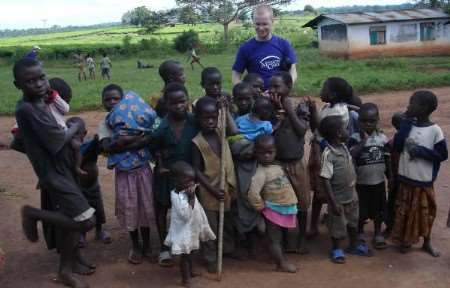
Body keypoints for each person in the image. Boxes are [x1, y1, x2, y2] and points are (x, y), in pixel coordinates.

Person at [13, 58, 96, 288]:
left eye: (41, 77)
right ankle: (32, 214)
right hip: (54, 173)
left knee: (69, 222)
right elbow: (58, 140)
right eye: (30, 81)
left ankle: (66, 270)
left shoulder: (41, 103)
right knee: (87, 220)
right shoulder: (28, 109)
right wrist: (75, 127)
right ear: (17, 85)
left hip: (64, 168)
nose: (39, 84)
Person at [98, 84, 159, 265]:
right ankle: (135, 245)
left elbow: (149, 137)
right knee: (130, 208)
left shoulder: (137, 117)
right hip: (124, 174)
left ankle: (147, 245)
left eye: (116, 99)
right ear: (102, 103)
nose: (112, 102)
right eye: (108, 99)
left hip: (143, 171)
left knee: (146, 208)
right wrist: (136, 140)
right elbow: (106, 146)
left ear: (124, 100)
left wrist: (126, 141)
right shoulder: (107, 122)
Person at [392, 90, 448, 256]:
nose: (408, 106)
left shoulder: (435, 130)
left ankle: (427, 242)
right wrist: (406, 123)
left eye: (412, 103)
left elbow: (442, 155)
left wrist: (422, 151)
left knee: (425, 213)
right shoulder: (407, 125)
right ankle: (406, 240)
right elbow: (398, 146)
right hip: (406, 178)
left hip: (423, 181)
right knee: (404, 211)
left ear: (424, 108)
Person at [150, 83, 199, 267]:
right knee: (162, 208)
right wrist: (161, 162)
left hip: (189, 175)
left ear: (187, 100)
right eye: (174, 103)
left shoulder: (195, 121)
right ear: (167, 104)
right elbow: (154, 149)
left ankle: (189, 246)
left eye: (182, 101)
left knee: (189, 209)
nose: (179, 106)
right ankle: (164, 247)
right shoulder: (161, 128)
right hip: (166, 175)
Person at [192, 96, 237, 273]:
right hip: (209, 191)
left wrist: (225, 110)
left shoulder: (222, 131)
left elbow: (234, 130)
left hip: (227, 187)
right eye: (206, 118)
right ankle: (210, 258)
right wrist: (211, 189)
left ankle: (227, 250)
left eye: (214, 117)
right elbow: (196, 170)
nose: (211, 121)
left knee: (227, 223)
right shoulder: (197, 142)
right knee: (210, 228)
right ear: (198, 119)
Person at [307, 77, 356, 239]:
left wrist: (313, 111)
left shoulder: (338, 113)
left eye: (324, 88)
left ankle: (318, 224)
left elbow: (320, 130)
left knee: (325, 190)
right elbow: (318, 128)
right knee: (322, 191)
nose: (321, 91)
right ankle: (319, 222)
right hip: (323, 151)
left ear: (333, 95)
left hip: (328, 154)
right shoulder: (329, 107)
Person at [319, 115, 372, 264]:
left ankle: (353, 245)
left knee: (353, 222)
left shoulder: (343, 147)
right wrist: (333, 202)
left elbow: (353, 153)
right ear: (338, 133)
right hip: (338, 199)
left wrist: (363, 142)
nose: (348, 130)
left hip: (351, 196)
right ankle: (336, 248)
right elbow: (325, 179)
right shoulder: (328, 154)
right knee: (337, 225)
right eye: (345, 128)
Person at [269, 71, 310, 254]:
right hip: (277, 165)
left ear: (289, 87)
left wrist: (288, 110)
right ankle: (285, 239)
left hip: (296, 163)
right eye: (271, 86)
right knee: (281, 202)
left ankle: (301, 237)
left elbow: (301, 130)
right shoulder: (267, 107)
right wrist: (276, 113)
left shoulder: (299, 107)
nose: (273, 90)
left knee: (302, 202)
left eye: (277, 86)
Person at [248, 135, 298, 273]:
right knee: (274, 239)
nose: (266, 156)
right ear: (255, 153)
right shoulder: (260, 173)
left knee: (279, 237)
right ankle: (280, 263)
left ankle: (280, 257)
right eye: (262, 153)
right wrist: (260, 207)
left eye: (270, 152)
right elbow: (253, 193)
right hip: (273, 210)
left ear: (276, 151)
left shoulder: (277, 167)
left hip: (285, 208)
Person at [164, 162, 215, 287]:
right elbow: (185, 215)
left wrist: (202, 223)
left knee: (192, 252)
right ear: (176, 181)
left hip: (191, 229)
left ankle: (190, 272)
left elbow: (197, 209)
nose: (191, 185)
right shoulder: (177, 196)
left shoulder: (187, 190)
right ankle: (185, 279)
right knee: (185, 256)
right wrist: (191, 198)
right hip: (183, 232)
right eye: (187, 182)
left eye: (192, 181)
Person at [348, 103, 391, 249]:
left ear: (377, 120)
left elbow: (387, 159)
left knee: (378, 209)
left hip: (378, 182)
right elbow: (351, 154)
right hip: (362, 183)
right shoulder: (354, 138)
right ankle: (360, 232)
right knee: (361, 210)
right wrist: (363, 142)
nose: (367, 124)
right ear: (358, 121)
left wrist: (390, 177)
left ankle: (377, 233)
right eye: (364, 121)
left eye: (371, 121)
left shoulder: (382, 138)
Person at [232, 5, 297, 90]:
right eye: (257, 24)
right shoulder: (245, 48)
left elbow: (293, 71)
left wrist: (285, 88)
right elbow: (236, 75)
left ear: (272, 21)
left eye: (265, 24)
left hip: (280, 96)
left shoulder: (284, 44)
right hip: (256, 98)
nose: (261, 28)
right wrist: (245, 93)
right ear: (253, 22)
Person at [384, 112, 403, 237]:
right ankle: (390, 228)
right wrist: (390, 177)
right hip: (397, 179)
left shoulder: (391, 143)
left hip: (400, 179)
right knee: (393, 204)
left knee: (395, 203)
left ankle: (392, 228)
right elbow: (387, 162)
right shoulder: (392, 143)